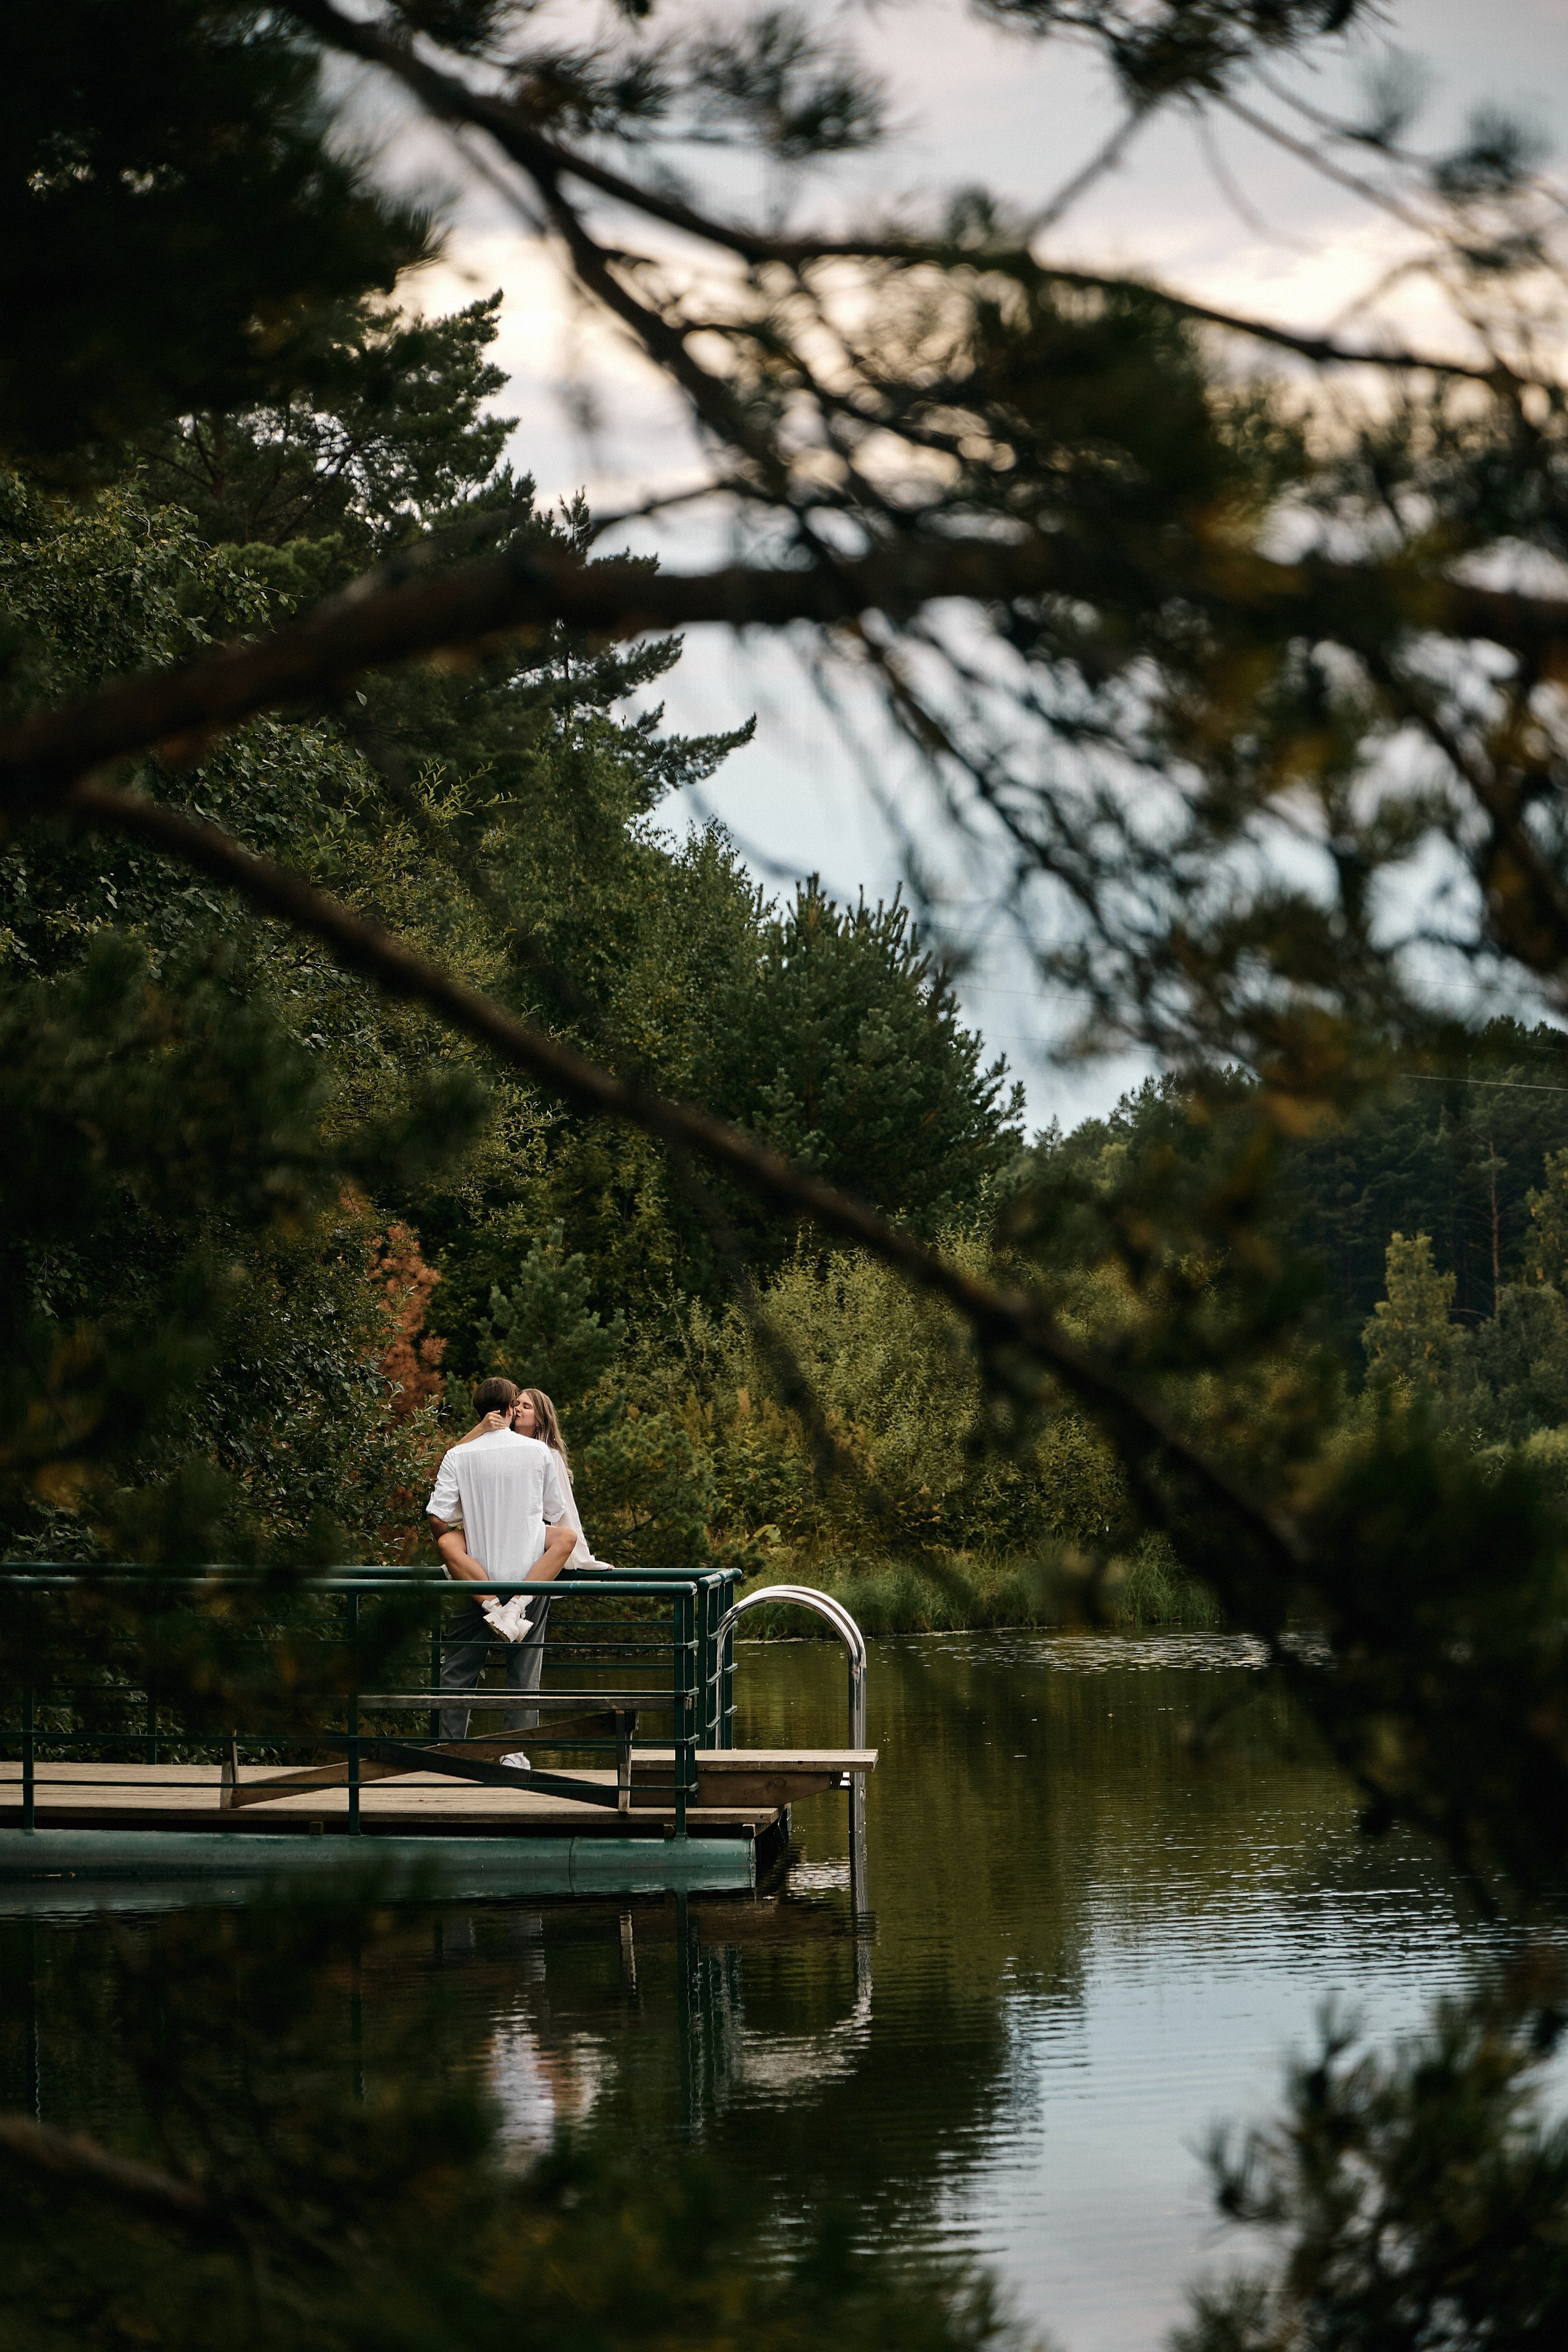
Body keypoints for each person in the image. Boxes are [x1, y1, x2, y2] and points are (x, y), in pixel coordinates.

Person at [426, 1376, 578, 1759]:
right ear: (511, 1409)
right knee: (524, 1672)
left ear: (480, 1412)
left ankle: (452, 1753)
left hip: (476, 1579)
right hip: (529, 1578)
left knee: (459, 1671)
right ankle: (514, 1755)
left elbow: (438, 1520)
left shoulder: (459, 1455)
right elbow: (553, 1512)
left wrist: (466, 1527)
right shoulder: (538, 1453)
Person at [456, 1385, 613, 1572]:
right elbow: (456, 1456)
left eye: (527, 1406)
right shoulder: (496, 1448)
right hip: (492, 1544)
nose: (518, 1409)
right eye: (516, 1404)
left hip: (530, 1548)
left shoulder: (550, 1455)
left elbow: (565, 1509)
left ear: (539, 1419)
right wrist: (481, 1428)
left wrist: (581, 1558)